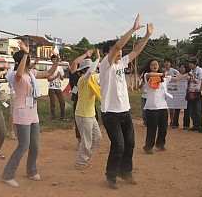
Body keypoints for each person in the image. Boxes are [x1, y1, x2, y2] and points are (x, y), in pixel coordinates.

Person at [100, 14, 153, 190]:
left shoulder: (122, 63)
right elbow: (117, 45)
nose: (120, 53)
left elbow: (136, 51)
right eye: (117, 51)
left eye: (121, 52)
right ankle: (111, 176)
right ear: (109, 53)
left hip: (124, 111)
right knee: (119, 145)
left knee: (130, 143)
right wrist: (133, 29)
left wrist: (146, 36)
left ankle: (125, 171)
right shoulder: (105, 66)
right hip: (110, 113)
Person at [1, 41, 59, 188]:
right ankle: (8, 175)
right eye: (28, 58)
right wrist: (25, 53)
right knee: (23, 146)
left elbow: (49, 73)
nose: (31, 60)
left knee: (35, 146)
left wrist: (56, 62)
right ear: (24, 60)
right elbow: (19, 74)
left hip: (33, 113)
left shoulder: (31, 73)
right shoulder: (15, 75)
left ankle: (31, 170)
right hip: (22, 114)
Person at [141, 59, 190, 154]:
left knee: (163, 127)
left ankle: (160, 143)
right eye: (153, 65)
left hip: (162, 106)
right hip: (151, 107)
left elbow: (176, 79)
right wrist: (163, 74)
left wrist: (187, 74)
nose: (155, 66)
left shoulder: (165, 77)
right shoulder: (147, 76)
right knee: (152, 128)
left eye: (156, 64)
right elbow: (151, 75)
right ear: (150, 66)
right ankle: (148, 146)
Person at [74, 49, 102, 169]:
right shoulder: (82, 80)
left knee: (97, 137)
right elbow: (90, 72)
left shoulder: (93, 80)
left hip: (91, 114)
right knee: (86, 141)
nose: (95, 70)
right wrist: (98, 59)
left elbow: (103, 73)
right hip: (83, 114)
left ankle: (85, 157)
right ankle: (81, 162)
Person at [70, 49, 93, 146]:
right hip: (78, 102)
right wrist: (86, 55)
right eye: (88, 68)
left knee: (92, 121)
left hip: (89, 102)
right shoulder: (75, 75)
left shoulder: (92, 76)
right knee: (79, 124)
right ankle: (80, 142)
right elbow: (75, 62)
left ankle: (89, 140)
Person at [187, 57, 202, 133]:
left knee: (198, 110)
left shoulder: (199, 70)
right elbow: (189, 80)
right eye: (189, 63)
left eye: (191, 63)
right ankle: (195, 125)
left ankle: (200, 126)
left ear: (195, 63)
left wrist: (201, 88)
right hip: (191, 92)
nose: (189, 64)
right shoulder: (191, 70)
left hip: (197, 92)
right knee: (192, 110)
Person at [172, 63, 191, 129]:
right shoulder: (177, 76)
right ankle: (175, 123)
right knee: (177, 109)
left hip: (186, 95)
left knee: (187, 110)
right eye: (181, 67)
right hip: (178, 95)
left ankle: (186, 125)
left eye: (183, 67)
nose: (182, 69)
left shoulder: (189, 76)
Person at [47, 54, 66, 121]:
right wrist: (55, 76)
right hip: (52, 87)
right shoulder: (49, 68)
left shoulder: (60, 68)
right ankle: (53, 117)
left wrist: (59, 75)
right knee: (53, 103)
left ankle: (62, 116)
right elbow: (48, 79)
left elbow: (62, 78)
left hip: (58, 87)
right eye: (53, 59)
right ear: (51, 60)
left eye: (56, 59)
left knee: (62, 102)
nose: (55, 60)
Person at [163, 58, 180, 126]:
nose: (166, 63)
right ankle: (164, 121)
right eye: (165, 62)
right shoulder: (162, 71)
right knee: (164, 107)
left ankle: (172, 120)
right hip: (164, 91)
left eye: (168, 62)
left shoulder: (174, 71)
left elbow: (178, 78)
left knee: (172, 107)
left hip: (172, 91)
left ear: (170, 63)